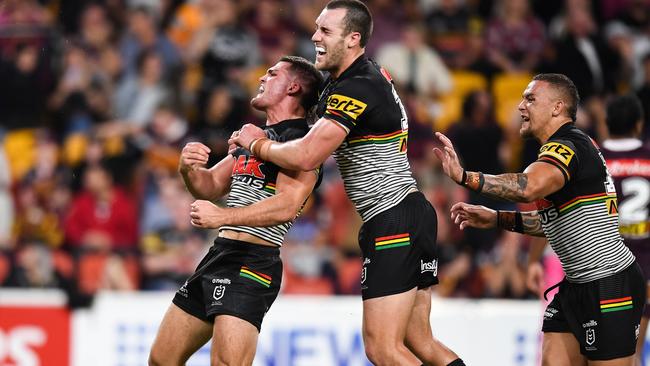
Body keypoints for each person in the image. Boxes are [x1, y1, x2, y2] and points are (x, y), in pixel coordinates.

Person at [231, 1, 465, 365]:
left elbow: (308, 155)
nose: (314, 36)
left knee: (382, 347)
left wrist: (256, 143)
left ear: (354, 38)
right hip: (408, 212)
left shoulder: (356, 87)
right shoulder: (352, 81)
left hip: (393, 218)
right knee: (420, 341)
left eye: (325, 30)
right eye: (316, 28)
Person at [436, 73, 645, 365]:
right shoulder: (566, 148)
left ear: (558, 107)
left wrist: (465, 177)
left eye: (530, 99)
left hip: (609, 283)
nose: (521, 106)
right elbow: (552, 220)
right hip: (575, 285)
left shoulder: (568, 145)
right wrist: (497, 218)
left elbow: (528, 187)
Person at [148, 55, 323, 366]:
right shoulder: (254, 137)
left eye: (272, 74)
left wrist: (222, 216)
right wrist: (187, 168)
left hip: (254, 261)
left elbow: (286, 205)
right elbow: (211, 184)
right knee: (162, 359)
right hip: (220, 254)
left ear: (294, 87)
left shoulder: (303, 144)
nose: (262, 78)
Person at [600, 94, 650, 366]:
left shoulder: (593, 158)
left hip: (602, 266)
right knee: (634, 352)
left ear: (606, 124)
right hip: (645, 265)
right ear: (639, 124)